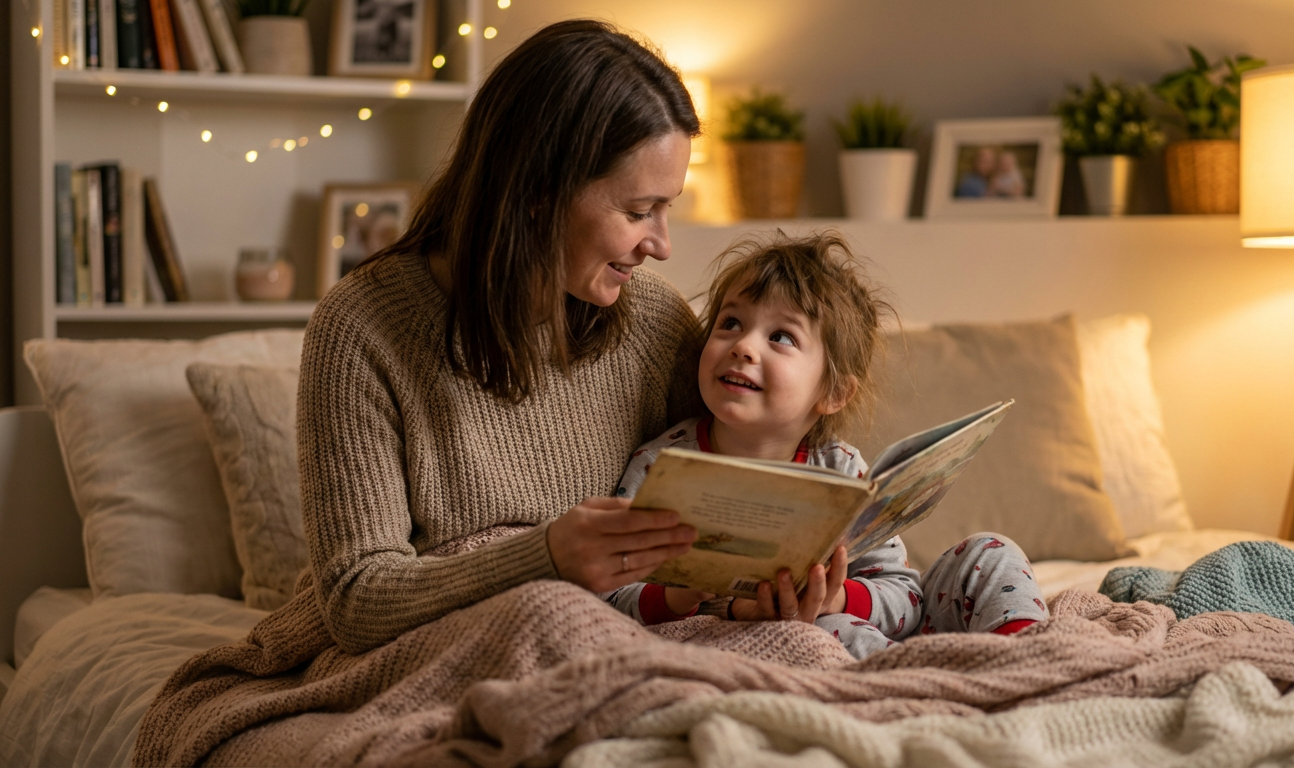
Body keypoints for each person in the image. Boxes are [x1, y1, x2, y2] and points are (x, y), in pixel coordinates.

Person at [296, 19, 707, 654]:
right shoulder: (361, 328)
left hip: (639, 637)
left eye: (666, 208)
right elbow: (356, 600)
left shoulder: (657, 325)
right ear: (540, 192)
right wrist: (544, 557)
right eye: (636, 211)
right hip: (472, 646)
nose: (660, 244)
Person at [602, 233, 1046, 658]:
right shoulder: (660, 465)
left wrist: (839, 597)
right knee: (822, 634)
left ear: (832, 394)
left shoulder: (842, 468)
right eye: (730, 323)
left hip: (874, 629)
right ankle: (934, 684)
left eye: (781, 337)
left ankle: (1035, 661)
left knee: (992, 551)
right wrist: (679, 597)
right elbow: (607, 595)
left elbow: (906, 597)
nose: (743, 346)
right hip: (761, 644)